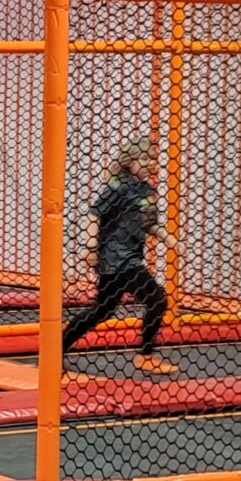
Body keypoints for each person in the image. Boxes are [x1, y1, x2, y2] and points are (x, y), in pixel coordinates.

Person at [60, 137, 178, 375]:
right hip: (117, 259)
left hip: (128, 260)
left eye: (152, 159)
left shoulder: (147, 191)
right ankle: (145, 355)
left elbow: (149, 224)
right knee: (157, 299)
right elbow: (94, 214)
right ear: (129, 161)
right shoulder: (119, 187)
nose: (149, 163)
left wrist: (171, 240)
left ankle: (59, 346)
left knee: (103, 310)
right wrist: (91, 246)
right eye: (143, 158)